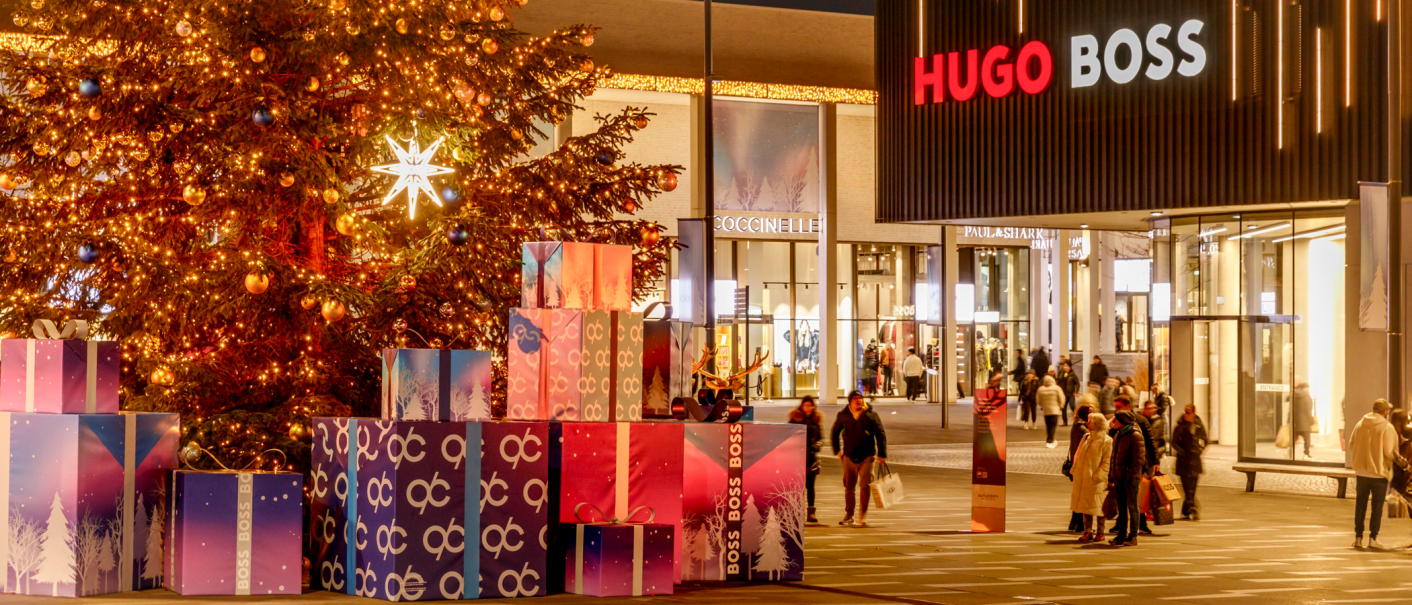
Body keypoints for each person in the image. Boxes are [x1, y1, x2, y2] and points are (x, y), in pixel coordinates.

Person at [831, 390, 888, 527]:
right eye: (855, 398)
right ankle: (849, 514)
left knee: (865, 487)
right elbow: (834, 432)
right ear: (850, 401)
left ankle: (863, 515)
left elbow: (880, 434)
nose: (859, 401)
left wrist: (882, 454)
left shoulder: (871, 415)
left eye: (860, 398)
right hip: (849, 456)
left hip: (867, 456)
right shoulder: (844, 415)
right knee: (849, 487)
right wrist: (838, 452)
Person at [1349, 399, 1400, 549]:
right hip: (1379, 473)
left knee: (1360, 506)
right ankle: (1373, 538)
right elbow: (1390, 452)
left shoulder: (1360, 424)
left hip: (1362, 472)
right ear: (1385, 412)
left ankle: (1358, 538)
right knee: (1377, 507)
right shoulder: (1386, 427)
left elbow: (1352, 444)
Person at [1115, 396, 1159, 535]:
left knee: (1135, 499)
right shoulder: (1118, 425)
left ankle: (1139, 525)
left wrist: (1155, 461)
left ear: (1127, 406)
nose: (1116, 410)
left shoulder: (1139, 422)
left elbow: (1150, 441)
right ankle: (1122, 526)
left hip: (1137, 466)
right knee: (1124, 500)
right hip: (1122, 468)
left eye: (1118, 407)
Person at [1071, 412, 1112, 543]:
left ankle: (1101, 531)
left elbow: (1107, 462)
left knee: (1099, 506)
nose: (1087, 423)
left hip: (1097, 480)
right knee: (1086, 505)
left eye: (1089, 421)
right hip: (1084, 477)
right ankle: (1087, 531)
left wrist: (1098, 477)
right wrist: (1075, 470)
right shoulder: (1087, 437)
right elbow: (1078, 455)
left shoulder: (1107, 441)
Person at [1108, 410, 1146, 546]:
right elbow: (1114, 457)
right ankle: (1121, 534)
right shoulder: (1119, 434)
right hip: (1119, 476)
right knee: (1121, 507)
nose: (1113, 422)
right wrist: (1112, 476)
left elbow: (1139, 459)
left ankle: (1133, 535)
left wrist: (1130, 475)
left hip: (1130, 478)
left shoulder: (1135, 435)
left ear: (1123, 421)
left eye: (1115, 420)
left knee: (1132, 506)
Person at [789, 396, 824, 524]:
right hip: (797, 458)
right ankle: (796, 513)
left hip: (811, 458)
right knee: (797, 487)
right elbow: (787, 436)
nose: (808, 408)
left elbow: (821, 437)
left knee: (810, 486)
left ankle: (811, 513)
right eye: (806, 405)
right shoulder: (795, 419)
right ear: (802, 406)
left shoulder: (816, 420)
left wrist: (817, 445)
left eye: (810, 405)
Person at [1171, 403, 1207, 520]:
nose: (1185, 414)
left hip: (1195, 460)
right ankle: (1194, 510)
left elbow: (1205, 440)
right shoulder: (1180, 426)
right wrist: (1182, 452)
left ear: (1193, 413)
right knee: (1187, 488)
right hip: (1183, 461)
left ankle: (1186, 510)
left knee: (1192, 488)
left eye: (1188, 412)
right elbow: (1174, 442)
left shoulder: (1198, 426)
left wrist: (1199, 450)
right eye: (1185, 411)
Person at [1066, 401, 1095, 531]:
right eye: (1090, 413)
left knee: (1079, 494)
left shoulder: (1077, 426)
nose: (1092, 415)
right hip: (1080, 465)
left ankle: (1074, 522)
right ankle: (1079, 523)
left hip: (1077, 464)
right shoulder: (1083, 429)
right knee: (1081, 495)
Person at [1037, 375, 1065, 448]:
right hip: (1055, 410)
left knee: (1048, 426)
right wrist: (1060, 406)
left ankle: (1051, 439)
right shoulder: (1057, 388)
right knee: (1053, 426)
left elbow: (1038, 400)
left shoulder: (1040, 389)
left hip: (1046, 411)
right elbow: (1062, 398)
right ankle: (1049, 441)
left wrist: (1043, 405)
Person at [1290, 382, 1316, 460]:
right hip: (1305, 422)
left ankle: (1289, 452)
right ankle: (1306, 454)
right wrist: (1311, 421)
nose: (1308, 389)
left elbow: (1292, 409)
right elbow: (1308, 411)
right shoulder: (1307, 397)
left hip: (1296, 422)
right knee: (1307, 439)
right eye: (1308, 388)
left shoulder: (1295, 396)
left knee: (1294, 438)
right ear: (1305, 388)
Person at [1057, 361, 1080, 426]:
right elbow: (1058, 382)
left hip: (1070, 394)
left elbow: (1077, 383)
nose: (1065, 367)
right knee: (1063, 408)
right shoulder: (1061, 374)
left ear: (1070, 367)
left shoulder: (1073, 375)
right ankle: (1065, 422)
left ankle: (1077, 420)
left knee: (1073, 406)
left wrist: (1076, 392)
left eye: (1067, 366)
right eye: (1064, 366)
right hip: (1063, 394)